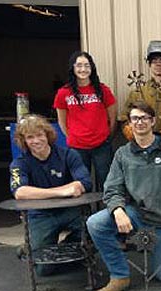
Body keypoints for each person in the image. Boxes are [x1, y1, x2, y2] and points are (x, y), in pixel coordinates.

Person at [87, 101, 161, 291]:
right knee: (95, 223)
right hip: (136, 216)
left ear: (153, 121)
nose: (140, 122)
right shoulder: (122, 154)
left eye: (145, 118)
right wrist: (118, 210)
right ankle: (119, 276)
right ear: (129, 123)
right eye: (135, 118)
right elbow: (112, 188)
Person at [9, 114, 92, 276]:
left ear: (48, 135)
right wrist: (61, 191)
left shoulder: (68, 155)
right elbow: (20, 192)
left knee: (94, 233)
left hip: (70, 212)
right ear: (23, 141)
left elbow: (84, 182)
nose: (36, 140)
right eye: (30, 137)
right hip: (40, 216)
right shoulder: (19, 163)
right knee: (44, 270)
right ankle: (29, 249)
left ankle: (61, 249)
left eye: (40, 135)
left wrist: (73, 187)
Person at [53, 51, 116, 191]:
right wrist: (73, 137)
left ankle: (107, 210)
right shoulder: (63, 93)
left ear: (92, 68)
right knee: (81, 184)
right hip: (77, 147)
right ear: (73, 68)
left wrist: (106, 136)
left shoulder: (103, 90)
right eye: (79, 65)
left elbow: (112, 118)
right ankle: (84, 212)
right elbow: (62, 121)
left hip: (101, 146)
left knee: (107, 182)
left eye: (87, 65)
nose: (83, 69)